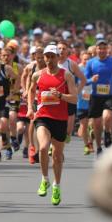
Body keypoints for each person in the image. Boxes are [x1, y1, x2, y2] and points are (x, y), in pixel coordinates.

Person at [27, 44, 77, 205]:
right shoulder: (37, 75)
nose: (48, 59)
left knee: (56, 156)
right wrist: (30, 107)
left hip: (60, 119)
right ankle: (44, 179)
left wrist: (61, 95)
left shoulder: (66, 75)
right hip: (43, 116)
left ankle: (56, 185)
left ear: (57, 57)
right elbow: (31, 91)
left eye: (52, 56)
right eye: (46, 56)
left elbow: (74, 98)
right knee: (42, 147)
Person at [83, 40, 112, 154]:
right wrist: (91, 80)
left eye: (104, 48)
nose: (102, 50)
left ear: (107, 49)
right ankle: (99, 146)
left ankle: (108, 133)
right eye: (100, 48)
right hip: (95, 96)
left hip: (110, 95)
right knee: (97, 123)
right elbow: (85, 80)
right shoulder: (91, 63)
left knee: (107, 117)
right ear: (96, 49)